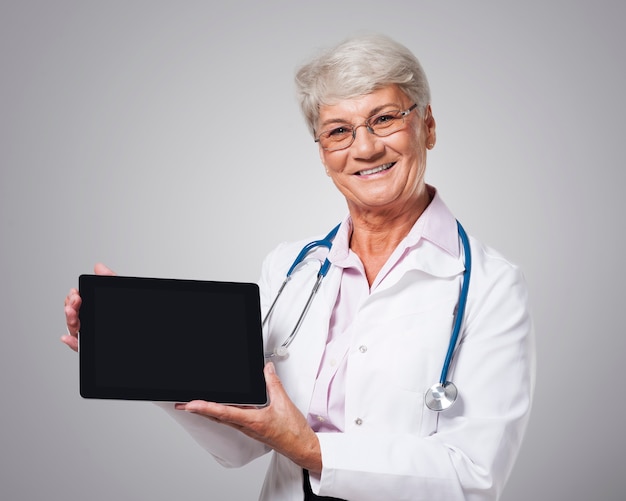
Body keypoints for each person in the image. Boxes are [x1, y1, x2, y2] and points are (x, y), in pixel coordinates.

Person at [62, 33, 535, 501]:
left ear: (427, 126)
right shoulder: (291, 267)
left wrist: (308, 448)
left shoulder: (492, 287)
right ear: (323, 153)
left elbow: (474, 477)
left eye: (385, 119)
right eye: (338, 131)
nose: (365, 148)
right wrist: (141, 352)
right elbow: (242, 441)